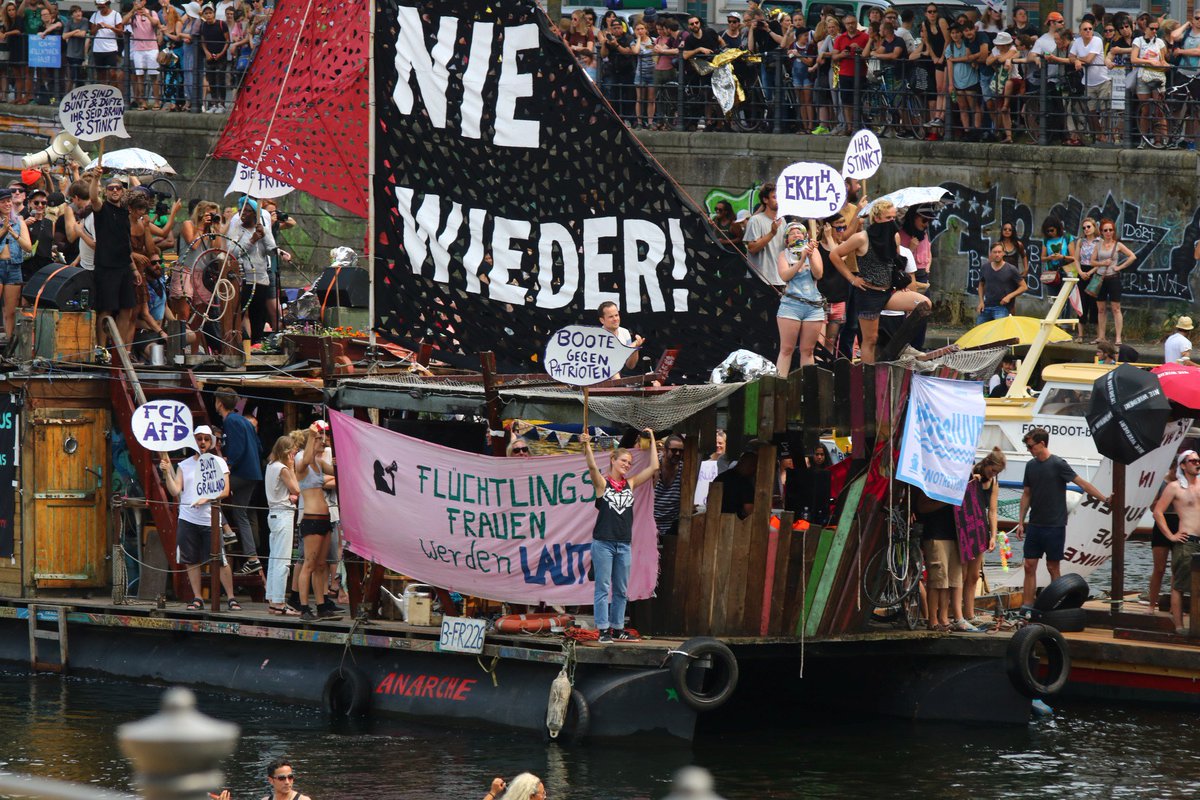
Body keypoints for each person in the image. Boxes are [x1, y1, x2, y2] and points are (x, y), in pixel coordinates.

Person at [1014, 427, 1110, 608]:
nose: (1029, 450)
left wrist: (1104, 499)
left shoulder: (1058, 464)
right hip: (1035, 523)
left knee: (1053, 567)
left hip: (1054, 525)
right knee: (1029, 565)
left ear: (1042, 444)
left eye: (1031, 446)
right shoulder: (1030, 466)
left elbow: (1081, 483)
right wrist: (1020, 522)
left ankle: (1055, 605)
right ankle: (1027, 606)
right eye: (1027, 447)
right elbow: (1027, 493)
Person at [827, 200, 930, 365]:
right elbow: (835, 255)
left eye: (894, 217)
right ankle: (868, 375)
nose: (892, 221)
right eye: (888, 218)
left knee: (924, 303)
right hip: (868, 294)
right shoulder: (861, 238)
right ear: (877, 218)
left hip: (888, 291)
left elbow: (895, 262)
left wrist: (900, 283)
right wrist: (852, 279)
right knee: (870, 339)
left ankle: (901, 345)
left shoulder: (894, 236)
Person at [581, 428, 658, 643]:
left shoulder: (630, 484)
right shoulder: (603, 484)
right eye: (623, 460)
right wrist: (586, 445)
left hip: (624, 544)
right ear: (613, 460)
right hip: (603, 543)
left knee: (622, 589)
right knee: (603, 587)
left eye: (629, 462)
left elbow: (654, 467)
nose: (626, 465)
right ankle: (603, 630)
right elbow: (591, 466)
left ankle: (617, 628)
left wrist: (652, 440)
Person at [159, 425, 239, 611]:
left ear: (211, 442)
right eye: (198, 438)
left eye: (205, 439)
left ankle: (231, 598)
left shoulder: (218, 462)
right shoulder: (184, 465)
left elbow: (225, 490)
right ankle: (197, 597)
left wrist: (206, 498)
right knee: (191, 559)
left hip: (210, 519)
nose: (202, 442)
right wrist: (166, 473)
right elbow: (175, 490)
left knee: (219, 559)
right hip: (188, 518)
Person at [214, 387, 264, 574]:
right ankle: (252, 558)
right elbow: (258, 447)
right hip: (253, 473)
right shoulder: (244, 421)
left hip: (241, 472)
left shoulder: (231, 421)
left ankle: (227, 530)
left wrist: (229, 465)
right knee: (240, 513)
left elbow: (236, 449)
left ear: (219, 402)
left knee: (211, 494)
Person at [89, 171, 137, 360]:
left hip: (124, 265)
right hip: (106, 266)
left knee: (127, 308)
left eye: (118, 188)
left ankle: (120, 350)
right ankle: (101, 350)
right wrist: (96, 179)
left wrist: (133, 268)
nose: (115, 190)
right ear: (106, 192)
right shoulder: (102, 208)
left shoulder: (125, 211)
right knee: (105, 309)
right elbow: (93, 197)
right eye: (111, 188)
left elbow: (127, 242)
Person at [295, 421, 339, 621]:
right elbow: (305, 459)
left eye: (324, 438)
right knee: (309, 564)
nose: (323, 441)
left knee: (321, 565)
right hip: (311, 518)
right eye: (320, 439)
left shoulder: (320, 463)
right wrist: (313, 435)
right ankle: (304, 608)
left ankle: (321, 606)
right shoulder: (300, 460)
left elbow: (337, 471)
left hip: (324, 517)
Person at [1152, 450, 1200, 633]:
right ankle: (1179, 626)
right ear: (1182, 465)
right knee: (1179, 585)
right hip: (1187, 539)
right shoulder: (1175, 487)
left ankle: (1196, 626)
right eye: (1193, 461)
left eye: (1198, 460)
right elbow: (1157, 512)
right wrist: (1170, 536)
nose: (1197, 463)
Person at [958, 448, 1005, 626]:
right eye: (993, 470)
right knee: (961, 574)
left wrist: (993, 535)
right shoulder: (970, 476)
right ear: (987, 463)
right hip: (965, 528)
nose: (993, 474)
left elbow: (992, 511)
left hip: (980, 530)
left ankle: (969, 614)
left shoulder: (993, 483)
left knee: (974, 576)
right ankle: (959, 613)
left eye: (997, 473)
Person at [774, 222, 824, 375]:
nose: (796, 235)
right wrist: (801, 260)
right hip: (791, 305)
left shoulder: (813, 251)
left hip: (813, 306)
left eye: (799, 232)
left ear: (805, 236)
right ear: (787, 239)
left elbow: (818, 274)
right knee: (787, 349)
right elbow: (785, 276)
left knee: (808, 350)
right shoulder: (784, 255)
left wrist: (810, 255)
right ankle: (779, 385)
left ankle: (807, 388)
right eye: (792, 233)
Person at [914, 487, 967, 631]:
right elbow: (921, 507)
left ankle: (943, 618)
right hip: (936, 534)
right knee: (938, 580)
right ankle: (933, 619)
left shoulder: (960, 479)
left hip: (956, 535)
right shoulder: (932, 482)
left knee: (950, 581)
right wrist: (948, 501)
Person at [224, 197, 275, 344]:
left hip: (261, 277)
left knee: (258, 314)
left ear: (255, 213)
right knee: (241, 312)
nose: (243, 213)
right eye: (241, 210)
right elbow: (232, 252)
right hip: (243, 278)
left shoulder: (262, 228)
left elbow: (271, 251)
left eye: (247, 210)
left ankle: (256, 344)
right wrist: (251, 240)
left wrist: (263, 236)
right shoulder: (236, 229)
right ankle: (242, 344)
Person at [264, 435, 299, 615]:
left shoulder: (271, 466)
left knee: (274, 558)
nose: (295, 453)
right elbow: (296, 488)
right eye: (293, 450)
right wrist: (292, 467)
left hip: (273, 513)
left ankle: (272, 598)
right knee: (283, 560)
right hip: (283, 513)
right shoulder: (283, 468)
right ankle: (278, 602)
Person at [1091, 218, 1135, 345]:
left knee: (1116, 308)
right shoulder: (1098, 245)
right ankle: (1101, 336)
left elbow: (1132, 256)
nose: (1108, 232)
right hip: (1100, 278)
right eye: (1105, 230)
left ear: (1114, 231)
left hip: (1113, 278)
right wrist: (1101, 263)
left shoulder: (1118, 245)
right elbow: (1092, 261)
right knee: (1101, 308)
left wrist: (1120, 267)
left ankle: (1118, 338)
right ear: (1101, 232)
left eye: (1110, 230)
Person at [0, 188, 32, 342]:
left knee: (10, 310)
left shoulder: (18, 221)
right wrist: (4, 230)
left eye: (8, 201)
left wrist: (14, 234)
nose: (7, 204)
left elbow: (28, 247)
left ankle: (9, 344)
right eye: (3, 201)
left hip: (13, 267)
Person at [743, 183, 786, 287]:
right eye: (775, 197)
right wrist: (772, 233)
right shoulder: (755, 220)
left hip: (780, 280)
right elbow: (752, 248)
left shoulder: (782, 220)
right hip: (761, 280)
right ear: (765, 200)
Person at [976, 242, 1026, 323]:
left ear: (1003, 253)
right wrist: (981, 302)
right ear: (991, 253)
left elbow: (1024, 287)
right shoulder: (985, 267)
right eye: (994, 252)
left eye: (999, 252)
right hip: (986, 306)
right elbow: (981, 285)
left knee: (1000, 333)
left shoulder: (1011, 269)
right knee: (979, 331)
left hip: (1002, 307)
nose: (997, 254)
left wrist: (1009, 296)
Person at [713, 440, 762, 518]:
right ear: (753, 467)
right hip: (736, 524)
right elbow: (749, 510)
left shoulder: (721, 477)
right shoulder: (745, 483)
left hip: (715, 520)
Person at [597, 301, 644, 373]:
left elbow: (630, 366)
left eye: (616, 315)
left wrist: (635, 348)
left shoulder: (625, 332)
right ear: (602, 320)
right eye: (611, 317)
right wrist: (630, 347)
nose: (615, 319)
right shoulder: (597, 337)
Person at [654, 434, 684, 536]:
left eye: (681, 451)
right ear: (664, 450)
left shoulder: (684, 470)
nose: (678, 453)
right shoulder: (654, 467)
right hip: (652, 524)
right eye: (674, 450)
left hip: (673, 526)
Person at [89, 0, 124, 88]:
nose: (100, 9)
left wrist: (110, 27)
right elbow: (91, 32)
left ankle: (113, 92)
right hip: (98, 49)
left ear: (108, 5)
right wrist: (97, 27)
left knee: (112, 73)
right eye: (99, 7)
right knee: (100, 74)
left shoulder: (116, 15)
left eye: (102, 6)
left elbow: (121, 32)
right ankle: (102, 94)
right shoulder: (95, 15)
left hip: (111, 48)